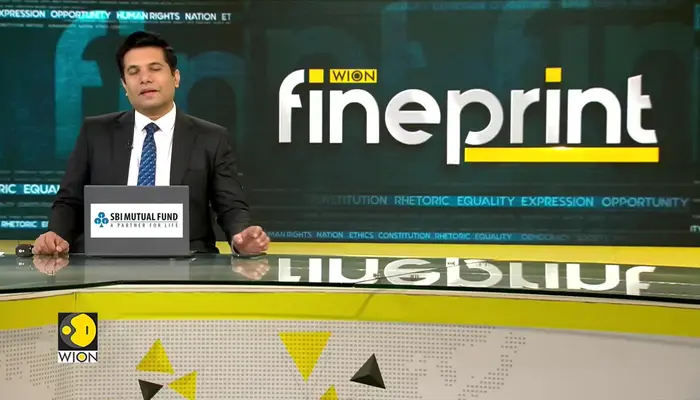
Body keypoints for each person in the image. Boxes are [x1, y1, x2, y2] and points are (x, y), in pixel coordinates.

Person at [32, 31, 269, 255]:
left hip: (186, 263)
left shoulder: (211, 137)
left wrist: (240, 236)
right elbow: (70, 200)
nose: (145, 78)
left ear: (176, 77)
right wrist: (57, 234)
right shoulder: (95, 132)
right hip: (104, 262)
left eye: (155, 69)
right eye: (133, 72)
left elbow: (230, 205)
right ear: (125, 86)